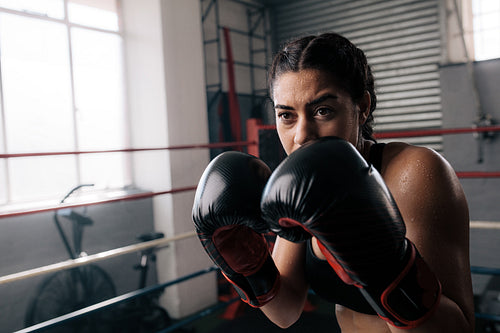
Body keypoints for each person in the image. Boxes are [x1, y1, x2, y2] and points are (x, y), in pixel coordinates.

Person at [192, 32, 474, 332]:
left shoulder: (413, 173)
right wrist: (248, 264)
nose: (302, 135)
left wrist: (382, 264)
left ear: (362, 107)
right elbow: (285, 311)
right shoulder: (302, 185)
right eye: (286, 115)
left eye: (322, 111)